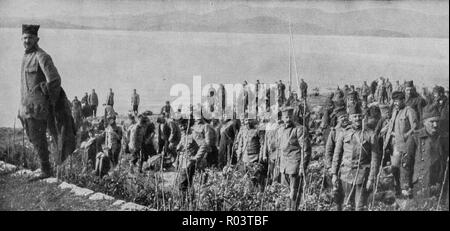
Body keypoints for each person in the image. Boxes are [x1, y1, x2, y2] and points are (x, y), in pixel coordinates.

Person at [18, 24, 76, 180]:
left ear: (37, 39)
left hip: (40, 108)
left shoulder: (41, 56)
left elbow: (55, 80)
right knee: (34, 137)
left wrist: (45, 95)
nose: (27, 41)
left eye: (30, 38)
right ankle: (44, 167)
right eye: (24, 38)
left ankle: (46, 169)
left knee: (39, 137)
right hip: (28, 107)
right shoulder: (25, 57)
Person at [331, 104, 379, 211]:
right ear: (350, 117)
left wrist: (371, 179)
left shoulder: (370, 135)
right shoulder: (344, 133)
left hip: (362, 176)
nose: (357, 119)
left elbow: (375, 159)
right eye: (354, 116)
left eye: (359, 116)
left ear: (362, 117)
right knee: (347, 205)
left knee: (360, 207)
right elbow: (337, 154)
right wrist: (334, 174)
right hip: (346, 175)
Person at [403, 104, 448, 203]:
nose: (435, 125)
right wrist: (406, 185)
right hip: (420, 184)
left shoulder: (444, 138)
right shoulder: (415, 138)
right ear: (424, 122)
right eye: (432, 122)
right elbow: (407, 164)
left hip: (440, 185)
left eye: (437, 121)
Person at [276, 106, 311, 211]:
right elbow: (280, 148)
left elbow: (305, 149)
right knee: (285, 191)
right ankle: (287, 208)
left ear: (293, 116)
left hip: (294, 165)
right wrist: (278, 163)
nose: (288, 119)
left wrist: (302, 167)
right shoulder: (280, 129)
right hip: (283, 166)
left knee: (294, 192)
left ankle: (293, 208)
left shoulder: (299, 129)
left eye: (290, 116)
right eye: (286, 117)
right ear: (282, 117)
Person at [384, 91, 418, 196]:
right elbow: (391, 124)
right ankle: (397, 188)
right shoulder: (395, 111)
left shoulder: (409, 111)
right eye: (394, 101)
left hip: (404, 145)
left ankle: (407, 190)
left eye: (397, 101)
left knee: (405, 168)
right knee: (395, 168)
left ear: (403, 100)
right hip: (394, 144)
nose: (395, 103)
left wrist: (405, 136)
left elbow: (415, 127)